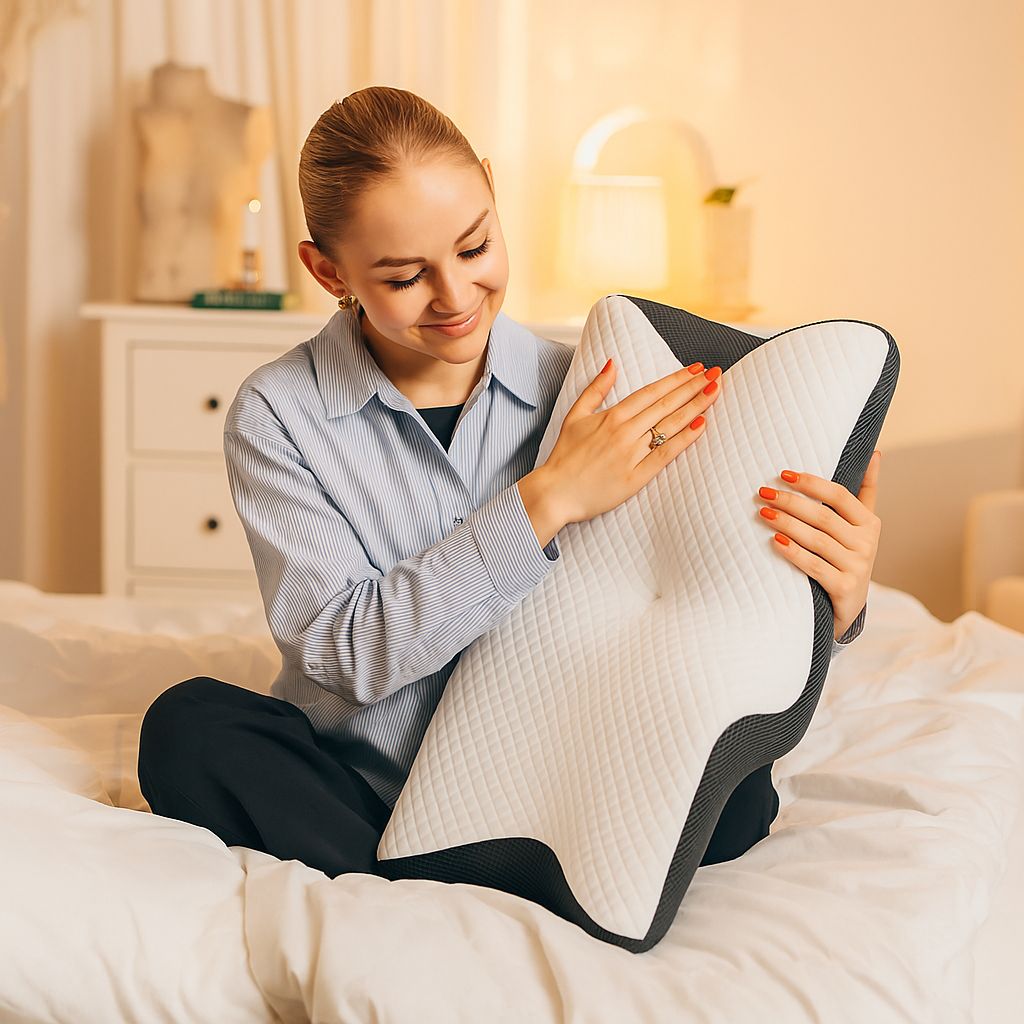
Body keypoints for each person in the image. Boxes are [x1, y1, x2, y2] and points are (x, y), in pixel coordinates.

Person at [138, 86, 882, 879]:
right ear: (328, 271)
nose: (456, 298)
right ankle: (442, 874)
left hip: (561, 774)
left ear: (492, 192)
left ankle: (490, 864)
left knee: (740, 791)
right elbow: (343, 656)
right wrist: (546, 500)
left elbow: (689, 617)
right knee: (187, 727)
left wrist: (833, 601)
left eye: (474, 248)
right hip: (367, 788)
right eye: (404, 277)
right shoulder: (277, 413)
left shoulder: (595, 388)